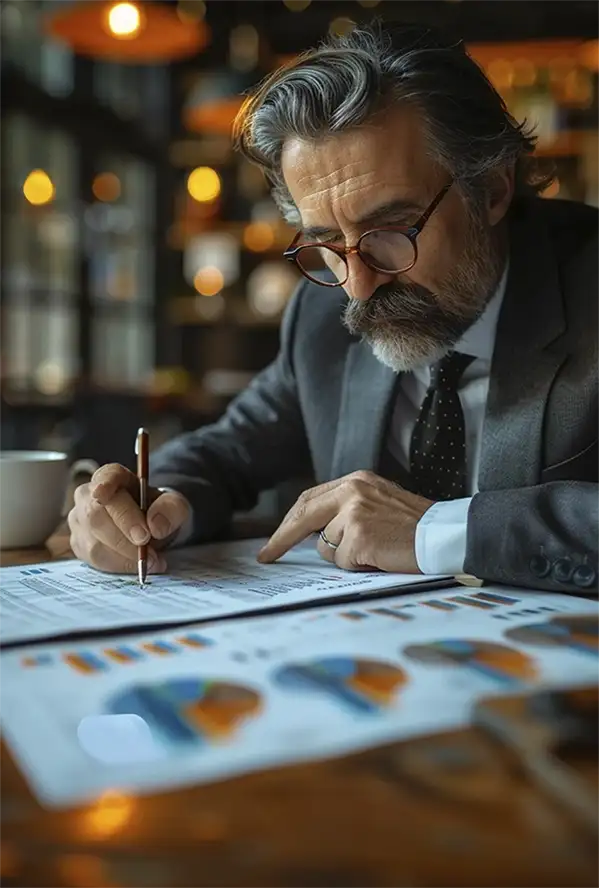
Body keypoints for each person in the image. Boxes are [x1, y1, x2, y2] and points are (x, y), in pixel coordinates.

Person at [69, 21, 599, 594]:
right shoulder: (320, 315)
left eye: (392, 229)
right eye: (325, 243)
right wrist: (153, 508)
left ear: (492, 188)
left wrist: (433, 530)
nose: (359, 285)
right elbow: (228, 449)